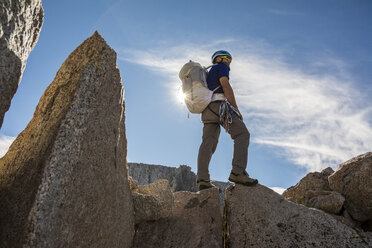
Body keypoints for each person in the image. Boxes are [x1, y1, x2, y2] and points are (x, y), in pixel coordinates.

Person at [197, 50, 258, 190]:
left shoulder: (208, 74)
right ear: (218, 59)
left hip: (207, 109)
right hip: (220, 107)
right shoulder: (221, 67)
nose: (229, 61)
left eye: (230, 59)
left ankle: (202, 179)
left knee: (208, 143)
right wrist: (236, 108)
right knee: (242, 134)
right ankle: (237, 172)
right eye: (226, 58)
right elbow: (225, 85)